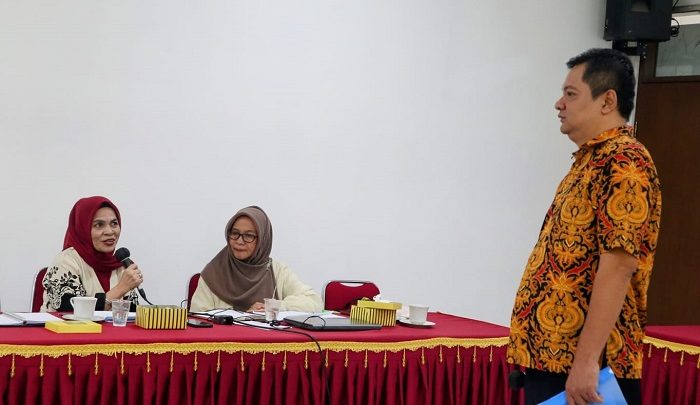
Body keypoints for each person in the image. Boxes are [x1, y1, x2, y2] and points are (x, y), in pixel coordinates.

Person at [507, 48, 662, 405]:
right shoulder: (590, 160)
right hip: (555, 362)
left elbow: (619, 264)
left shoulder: (625, 161)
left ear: (607, 101)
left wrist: (586, 361)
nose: (559, 104)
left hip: (590, 372)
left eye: (571, 93)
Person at [190, 206, 323, 313]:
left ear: (262, 241)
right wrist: (242, 319)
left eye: (249, 235)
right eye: (235, 233)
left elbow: (314, 301)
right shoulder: (214, 273)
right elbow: (198, 320)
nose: (239, 241)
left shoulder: (277, 271)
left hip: (271, 339)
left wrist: (273, 306)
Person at [41, 196, 143, 312]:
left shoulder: (120, 264)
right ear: (82, 228)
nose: (109, 231)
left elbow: (131, 314)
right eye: (99, 225)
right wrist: (121, 288)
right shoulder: (66, 261)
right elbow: (72, 310)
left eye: (114, 223)